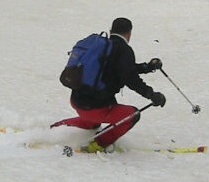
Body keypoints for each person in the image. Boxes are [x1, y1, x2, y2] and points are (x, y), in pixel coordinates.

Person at [52, 17, 166, 152]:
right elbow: (130, 78)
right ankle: (98, 144)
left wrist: (147, 67)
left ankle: (54, 129)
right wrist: (151, 95)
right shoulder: (123, 50)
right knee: (132, 115)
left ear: (111, 30)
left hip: (77, 100)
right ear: (129, 34)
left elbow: (122, 69)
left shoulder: (102, 46)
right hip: (95, 108)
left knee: (91, 123)